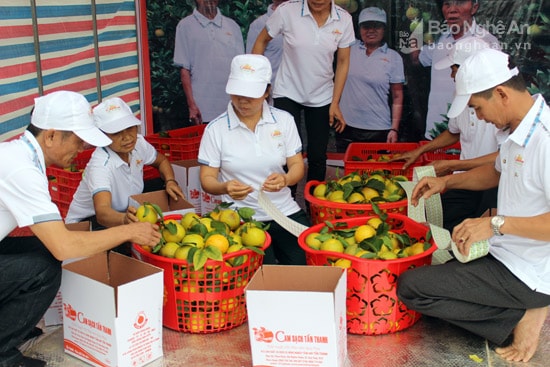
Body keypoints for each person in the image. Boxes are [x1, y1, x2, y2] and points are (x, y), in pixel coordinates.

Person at [397, 48, 550, 363]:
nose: (478, 117)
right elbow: (497, 171)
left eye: (478, 108)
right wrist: (447, 182)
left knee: (412, 288)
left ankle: (522, 314)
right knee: (435, 268)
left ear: (501, 94)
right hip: (504, 253)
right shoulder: (516, 129)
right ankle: (515, 309)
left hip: (530, 271)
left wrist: (494, 224)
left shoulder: (545, 141)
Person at [0, 91, 161, 367]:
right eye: (78, 139)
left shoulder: (18, 155)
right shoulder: (21, 169)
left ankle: (11, 326)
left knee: (43, 251)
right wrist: (129, 231)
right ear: (51, 136)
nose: (82, 147)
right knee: (46, 267)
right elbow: (64, 246)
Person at [198, 54, 310, 265]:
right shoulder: (216, 129)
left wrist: (285, 180)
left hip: (283, 211)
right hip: (239, 217)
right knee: (258, 276)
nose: (243, 100)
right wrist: (225, 188)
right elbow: (207, 179)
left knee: (305, 265)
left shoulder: (283, 121)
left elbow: (296, 166)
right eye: (237, 93)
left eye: (251, 94)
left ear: (267, 91)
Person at [392, 37, 504, 231]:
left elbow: (503, 160)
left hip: (494, 187)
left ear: (468, 70)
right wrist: (421, 151)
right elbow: (454, 132)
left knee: (476, 235)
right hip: (465, 182)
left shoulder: (501, 108)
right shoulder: (459, 95)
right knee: (431, 223)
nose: (451, 75)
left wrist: (452, 165)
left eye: (453, 68)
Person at [251, 0, 355, 183]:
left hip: (322, 94)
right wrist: (257, 83)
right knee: (285, 153)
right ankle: (285, 203)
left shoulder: (344, 19)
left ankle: (313, 205)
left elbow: (343, 61)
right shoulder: (287, 11)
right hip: (287, 91)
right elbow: (261, 41)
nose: (317, 1)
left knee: (317, 155)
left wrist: (336, 102)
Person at [65, 97, 185, 231]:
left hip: (125, 210)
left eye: (129, 128)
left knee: (159, 185)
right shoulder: (100, 165)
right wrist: (125, 220)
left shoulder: (139, 144)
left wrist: (170, 181)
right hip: (87, 223)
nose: (127, 137)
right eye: (116, 133)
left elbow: (162, 161)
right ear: (103, 135)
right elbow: (103, 212)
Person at [413, 0, 499, 140]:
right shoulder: (438, 39)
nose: (452, 9)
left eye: (460, 2)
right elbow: (419, 59)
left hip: (473, 133)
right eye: (447, 4)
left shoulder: (487, 42)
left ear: (474, 7)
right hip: (437, 130)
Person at [335, 7, 405, 153]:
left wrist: (394, 129)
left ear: (384, 29)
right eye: (366, 26)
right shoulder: (348, 48)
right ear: (359, 29)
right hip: (346, 126)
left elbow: (397, 96)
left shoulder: (394, 57)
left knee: (376, 172)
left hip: (379, 129)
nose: (371, 30)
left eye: (377, 26)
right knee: (346, 171)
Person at [173, 0, 244, 125]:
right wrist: (192, 105)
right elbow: (184, 70)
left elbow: (241, 68)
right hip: (202, 109)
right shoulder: (184, 26)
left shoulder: (233, 26)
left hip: (232, 106)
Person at [245, 1, 287, 90]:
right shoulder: (258, 25)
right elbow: (252, 66)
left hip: (303, 94)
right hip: (273, 94)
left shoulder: (304, 21)